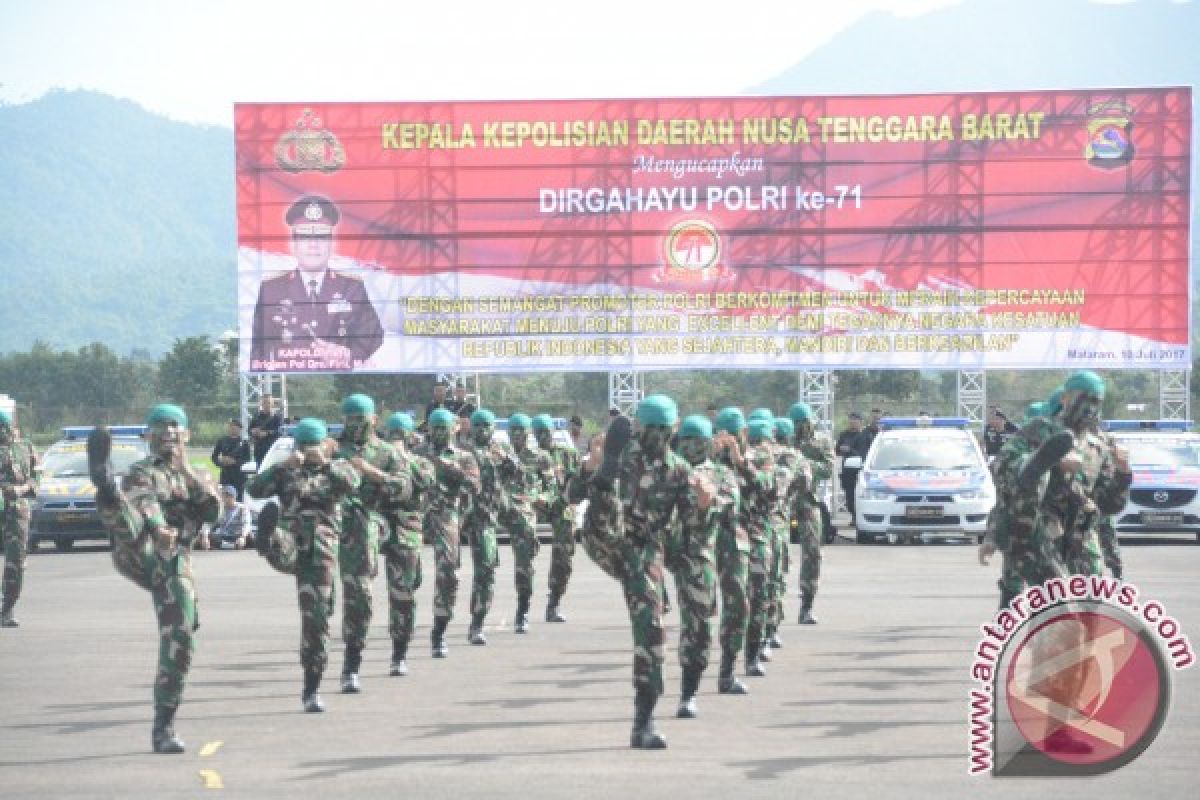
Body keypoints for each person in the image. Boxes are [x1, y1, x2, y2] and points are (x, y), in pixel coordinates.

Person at [87, 405, 220, 753]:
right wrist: (159, 525)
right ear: (148, 437)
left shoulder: (199, 473)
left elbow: (213, 510)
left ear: (187, 436)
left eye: (175, 429)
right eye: (160, 429)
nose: (168, 435)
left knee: (181, 635)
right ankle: (105, 487)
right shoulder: (140, 472)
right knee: (129, 519)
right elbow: (146, 500)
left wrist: (186, 471)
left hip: (174, 561)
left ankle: (164, 725)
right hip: (138, 549)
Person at [247, 417, 360, 712]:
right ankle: (268, 538)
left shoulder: (338, 467)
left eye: (314, 444)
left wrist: (327, 462)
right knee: (280, 544)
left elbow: (353, 483)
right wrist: (282, 465)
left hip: (321, 551)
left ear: (325, 444)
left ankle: (312, 687)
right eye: (304, 444)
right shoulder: (287, 472)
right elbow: (254, 489)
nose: (308, 450)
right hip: (291, 539)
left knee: (317, 619)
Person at [249, 195, 384, 371]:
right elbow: (259, 350)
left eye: (321, 237)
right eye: (305, 237)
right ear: (294, 244)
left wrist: (347, 354)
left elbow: (374, 334)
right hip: (290, 382)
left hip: (340, 379)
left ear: (331, 244)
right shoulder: (271, 289)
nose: (313, 245)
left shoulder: (352, 287)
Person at [334, 394, 409, 692]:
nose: (354, 425)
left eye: (360, 419)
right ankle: (348, 665)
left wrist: (371, 473)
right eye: (349, 419)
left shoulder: (388, 453)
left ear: (374, 420)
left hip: (381, 526)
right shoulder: (332, 451)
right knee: (347, 599)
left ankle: (383, 656)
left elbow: (403, 488)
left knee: (388, 594)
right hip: (340, 531)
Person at [670, 414, 737, 717]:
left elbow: (727, 504)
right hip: (659, 551)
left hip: (696, 555)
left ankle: (688, 691)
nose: (691, 447)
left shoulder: (719, 474)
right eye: (686, 440)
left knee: (697, 625)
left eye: (697, 441)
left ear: (709, 444)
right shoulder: (667, 470)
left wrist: (704, 499)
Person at [415, 408, 481, 656]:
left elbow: (474, 485)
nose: (440, 432)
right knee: (406, 570)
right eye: (436, 427)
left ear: (454, 428)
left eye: (444, 427)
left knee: (448, 570)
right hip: (416, 516)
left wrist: (449, 467)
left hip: (446, 516)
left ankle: (439, 630)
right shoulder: (417, 453)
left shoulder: (465, 457)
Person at [380, 412, 435, 676]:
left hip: (407, 530)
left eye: (400, 434)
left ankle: (400, 652)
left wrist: (402, 457)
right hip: (376, 527)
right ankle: (397, 652)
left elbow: (426, 482)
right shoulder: (377, 458)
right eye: (393, 434)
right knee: (394, 590)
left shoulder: (420, 461)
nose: (396, 439)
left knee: (406, 589)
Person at [461, 409, 516, 645]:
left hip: (490, 518)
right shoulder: (463, 451)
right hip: (466, 517)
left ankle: (477, 621)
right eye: (478, 425)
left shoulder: (502, 451)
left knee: (487, 570)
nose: (482, 430)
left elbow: (516, 473)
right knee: (478, 570)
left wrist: (502, 458)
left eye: (487, 425)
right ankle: (470, 623)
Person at [500, 413, 555, 634]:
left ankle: (522, 609)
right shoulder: (499, 455)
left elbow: (551, 485)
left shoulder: (540, 457)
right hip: (500, 510)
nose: (516, 435)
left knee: (524, 564)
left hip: (524, 512)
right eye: (513, 430)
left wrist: (545, 497)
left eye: (520, 430)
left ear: (528, 432)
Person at [533, 413, 582, 623]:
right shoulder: (529, 456)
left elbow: (580, 480)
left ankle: (553, 603)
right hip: (535, 506)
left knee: (564, 557)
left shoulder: (567, 454)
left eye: (547, 431)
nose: (544, 436)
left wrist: (573, 499)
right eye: (539, 432)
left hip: (562, 508)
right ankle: (522, 607)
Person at [790, 402, 833, 624]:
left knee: (813, 553)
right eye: (796, 423)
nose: (799, 427)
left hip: (808, 500)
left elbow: (828, 469)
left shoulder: (822, 440)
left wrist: (804, 464)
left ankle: (807, 605)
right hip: (781, 502)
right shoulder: (783, 436)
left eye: (803, 423)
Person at [0, 410, 36, 628]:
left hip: (17, 511)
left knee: (16, 560)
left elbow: (37, 475)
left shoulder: (26, 448)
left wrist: (23, 488)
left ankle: (7, 608)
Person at [211, 419, 252, 500]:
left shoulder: (244, 443)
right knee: (226, 498)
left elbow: (247, 460)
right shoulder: (222, 441)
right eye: (231, 426)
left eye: (235, 426)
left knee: (240, 499)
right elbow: (214, 457)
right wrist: (221, 462)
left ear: (240, 429)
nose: (233, 428)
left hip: (239, 476)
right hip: (226, 475)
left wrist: (235, 462)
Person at [835, 412, 866, 517]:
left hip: (860, 470)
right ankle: (853, 515)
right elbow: (837, 450)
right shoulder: (844, 434)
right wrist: (840, 449)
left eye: (855, 419)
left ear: (860, 422)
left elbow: (863, 453)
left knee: (860, 495)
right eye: (850, 419)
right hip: (847, 470)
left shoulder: (864, 435)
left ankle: (859, 516)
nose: (852, 422)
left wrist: (849, 450)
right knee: (849, 495)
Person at [206, 485, 252, 550]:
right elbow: (209, 523)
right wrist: (204, 536)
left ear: (233, 497)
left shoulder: (242, 508)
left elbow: (246, 524)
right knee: (205, 536)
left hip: (237, 535)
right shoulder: (219, 508)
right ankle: (232, 546)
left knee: (251, 537)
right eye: (223, 496)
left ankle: (226, 545)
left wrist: (243, 537)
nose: (224, 498)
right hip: (223, 536)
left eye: (227, 496)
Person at [248, 396, 284, 467]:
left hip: (272, 449)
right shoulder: (256, 416)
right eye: (264, 402)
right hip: (259, 449)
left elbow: (281, 432)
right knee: (260, 471)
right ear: (261, 404)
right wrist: (253, 431)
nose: (266, 404)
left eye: (269, 402)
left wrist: (267, 433)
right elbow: (249, 430)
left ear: (272, 404)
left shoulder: (277, 417)